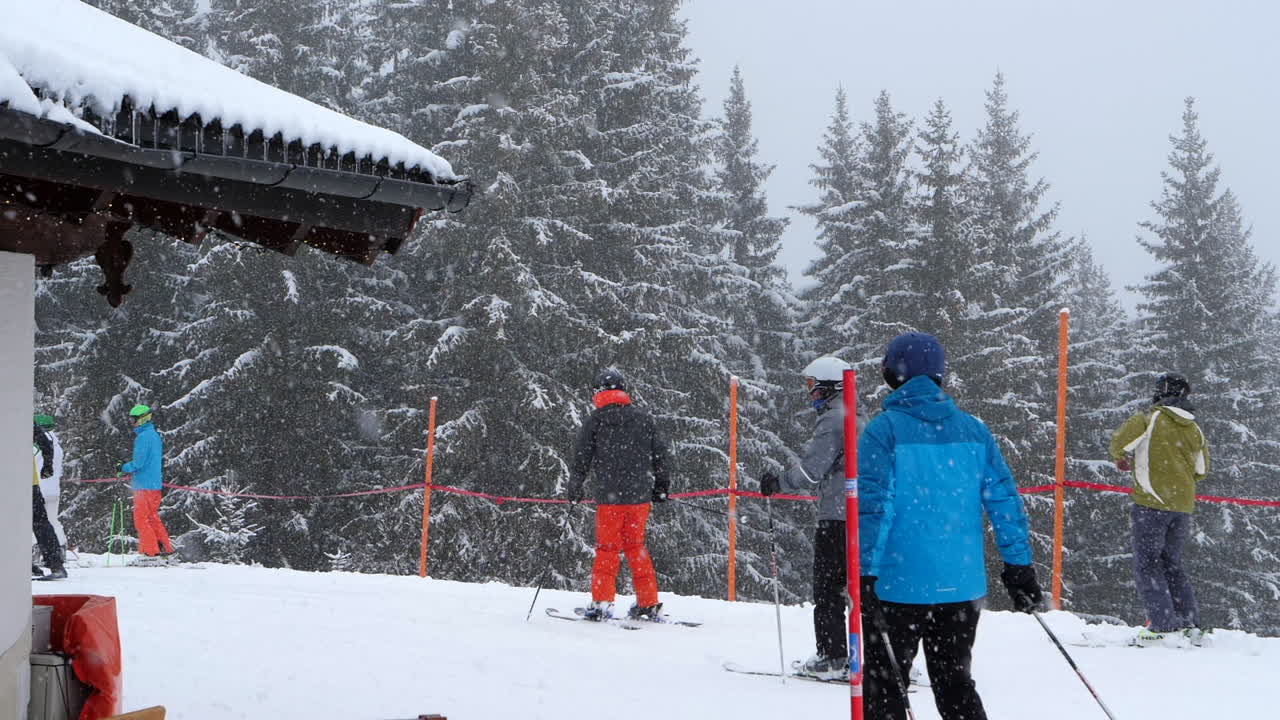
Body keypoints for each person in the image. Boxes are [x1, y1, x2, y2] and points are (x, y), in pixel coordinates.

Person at [857, 332, 1041, 720]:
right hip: (960, 587)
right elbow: (1004, 501)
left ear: (893, 373)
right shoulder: (974, 431)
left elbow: (875, 507)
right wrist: (1019, 566)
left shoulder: (883, 430)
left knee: (886, 688)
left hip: (897, 586)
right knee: (955, 683)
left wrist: (864, 572)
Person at [759, 355, 856, 680]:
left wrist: (778, 482)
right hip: (864, 514)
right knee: (862, 587)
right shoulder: (858, 414)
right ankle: (882, 655)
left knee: (828, 586)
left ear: (830, 386)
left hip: (838, 515)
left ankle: (832, 655)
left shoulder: (834, 418)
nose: (810, 395)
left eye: (813, 387)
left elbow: (812, 470)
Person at [1109, 372, 1209, 647]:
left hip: (1152, 503)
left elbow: (1118, 444)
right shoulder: (1195, 429)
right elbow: (1202, 470)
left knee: (1148, 564)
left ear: (1160, 393)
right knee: (1172, 564)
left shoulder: (1149, 419)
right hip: (1183, 506)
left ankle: (1163, 624)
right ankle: (1189, 623)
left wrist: (1123, 459)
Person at [567, 369, 672, 621]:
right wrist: (661, 486)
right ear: (624, 391)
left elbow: (582, 457)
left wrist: (575, 486)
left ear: (599, 392)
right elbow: (660, 455)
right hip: (639, 499)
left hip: (609, 498)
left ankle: (602, 601)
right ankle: (647, 602)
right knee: (636, 547)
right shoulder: (643, 419)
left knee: (607, 549)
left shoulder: (596, 420)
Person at [120, 403, 174, 558]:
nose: (132, 423)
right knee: (152, 517)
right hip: (154, 484)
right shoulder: (154, 435)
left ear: (143, 419)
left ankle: (151, 552)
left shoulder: (143, 437)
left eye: (134, 420)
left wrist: (123, 467)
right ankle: (164, 548)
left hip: (144, 485)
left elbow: (139, 463)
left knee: (141, 519)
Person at [31, 441, 66, 580]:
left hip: (12, 482)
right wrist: (47, 466)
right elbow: (46, 443)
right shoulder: (21, 422)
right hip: (30, 483)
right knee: (41, 524)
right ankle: (56, 564)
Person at [33, 414, 66, 549]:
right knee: (53, 521)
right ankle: (60, 547)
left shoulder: (38, 445)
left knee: (37, 523)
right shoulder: (57, 446)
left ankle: (38, 550)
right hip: (54, 489)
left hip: (40, 488)